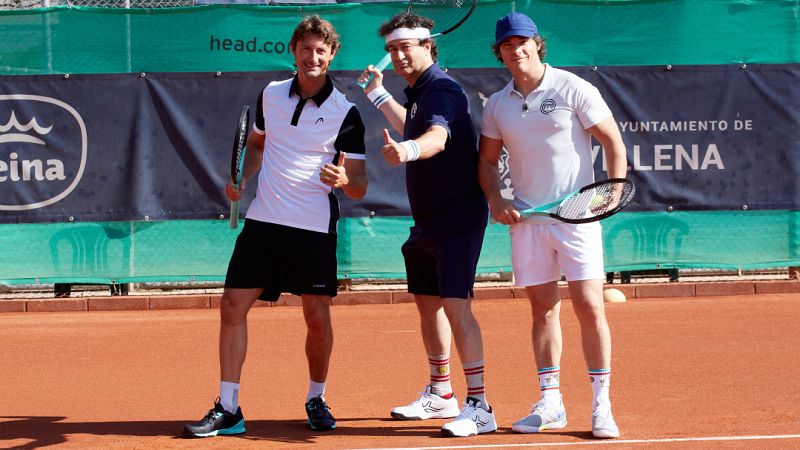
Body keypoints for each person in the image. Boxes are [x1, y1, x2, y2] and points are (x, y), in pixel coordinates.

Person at [183, 15, 368, 438]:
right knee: (232, 306)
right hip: (264, 221)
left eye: (321, 50)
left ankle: (315, 397)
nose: (313, 57)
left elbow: (359, 183)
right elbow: (260, 145)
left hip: (312, 227)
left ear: (332, 54)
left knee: (316, 315)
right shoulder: (270, 95)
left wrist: (344, 181)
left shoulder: (347, 112)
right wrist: (243, 178)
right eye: (306, 48)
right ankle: (228, 408)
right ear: (294, 51)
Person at [477, 12, 627, 439]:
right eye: (508, 44)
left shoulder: (572, 87)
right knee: (543, 310)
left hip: (578, 216)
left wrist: (611, 192)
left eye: (523, 41)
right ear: (500, 52)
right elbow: (487, 162)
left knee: (590, 307)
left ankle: (601, 405)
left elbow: (612, 141)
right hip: (528, 220)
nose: (516, 49)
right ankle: (551, 402)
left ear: (536, 44)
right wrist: (497, 198)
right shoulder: (497, 104)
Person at [357, 13, 494, 438]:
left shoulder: (444, 90)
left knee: (455, 306)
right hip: (428, 220)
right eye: (393, 49)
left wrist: (410, 151)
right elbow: (410, 124)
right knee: (427, 302)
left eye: (407, 47)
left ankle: (480, 406)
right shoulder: (418, 92)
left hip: (458, 218)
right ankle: (441, 393)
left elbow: (436, 137)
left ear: (428, 47)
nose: (398, 56)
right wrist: (378, 95)